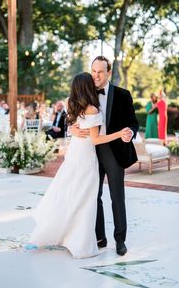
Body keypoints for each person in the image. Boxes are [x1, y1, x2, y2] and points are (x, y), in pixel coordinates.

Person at [30, 73, 129, 258]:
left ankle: (66, 233)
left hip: (74, 153)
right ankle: (80, 241)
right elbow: (97, 139)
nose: (95, 80)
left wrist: (71, 128)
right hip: (86, 156)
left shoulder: (70, 102)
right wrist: (119, 133)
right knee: (87, 198)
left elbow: (71, 122)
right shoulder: (91, 108)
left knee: (71, 192)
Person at [70, 56, 139, 256]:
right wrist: (72, 129)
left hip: (114, 150)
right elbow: (73, 118)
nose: (96, 75)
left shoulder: (122, 94)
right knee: (93, 195)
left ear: (108, 72)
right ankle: (100, 237)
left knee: (117, 196)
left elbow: (133, 122)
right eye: (93, 71)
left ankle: (120, 240)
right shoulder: (85, 92)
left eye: (100, 71)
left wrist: (129, 133)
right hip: (90, 152)